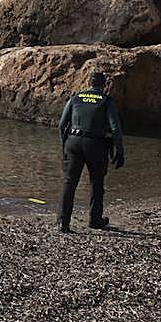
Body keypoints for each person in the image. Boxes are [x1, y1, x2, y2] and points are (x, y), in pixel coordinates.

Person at [58, 71, 124, 232]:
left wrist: (65, 145)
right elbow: (115, 128)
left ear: (88, 83)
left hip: (73, 142)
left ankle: (63, 222)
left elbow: (62, 124)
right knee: (96, 182)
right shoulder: (107, 101)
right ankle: (95, 220)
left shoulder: (76, 98)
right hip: (96, 144)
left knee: (69, 182)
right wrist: (119, 150)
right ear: (105, 85)